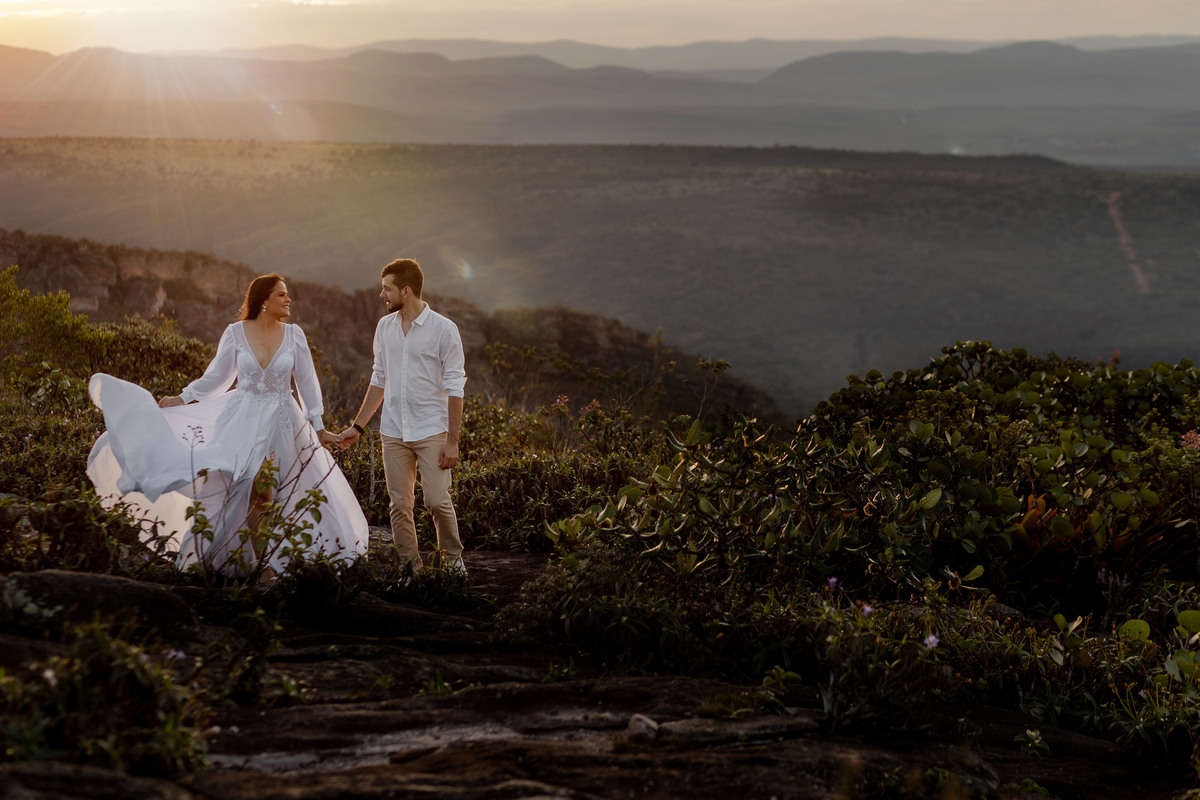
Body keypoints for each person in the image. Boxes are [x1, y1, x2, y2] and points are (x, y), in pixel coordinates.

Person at [87, 274, 369, 579]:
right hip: (242, 422)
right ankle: (262, 568)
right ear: (264, 301)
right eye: (281, 295)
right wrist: (182, 399)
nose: (288, 300)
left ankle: (284, 562)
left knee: (283, 493)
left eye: (287, 295)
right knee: (252, 493)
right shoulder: (236, 333)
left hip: (284, 425)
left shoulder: (294, 335)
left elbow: (307, 386)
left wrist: (318, 426)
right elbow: (216, 379)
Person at [337, 258, 467, 573]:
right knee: (400, 505)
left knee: (436, 500)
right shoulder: (385, 327)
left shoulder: (444, 329)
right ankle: (411, 569)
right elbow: (379, 379)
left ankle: (452, 562)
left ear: (406, 291)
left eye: (387, 289)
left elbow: (455, 388)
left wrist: (452, 442)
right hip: (393, 431)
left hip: (431, 431)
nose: (382, 295)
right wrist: (358, 426)